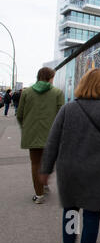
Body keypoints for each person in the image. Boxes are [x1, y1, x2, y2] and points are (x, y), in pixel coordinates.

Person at [40, 68, 100, 243]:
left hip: (69, 171)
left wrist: (46, 169)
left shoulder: (67, 109)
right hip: (97, 172)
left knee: (71, 212)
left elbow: (52, 142)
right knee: (92, 215)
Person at [16, 68, 64, 204]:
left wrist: (26, 128)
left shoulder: (26, 92)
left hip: (32, 133)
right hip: (52, 135)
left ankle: (39, 195)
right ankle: (45, 183)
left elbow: (20, 114)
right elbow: (61, 115)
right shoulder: (57, 93)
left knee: (35, 163)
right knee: (48, 160)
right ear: (50, 78)